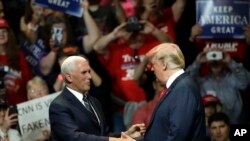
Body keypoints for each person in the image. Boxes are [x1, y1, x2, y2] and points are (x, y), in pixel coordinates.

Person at [49, 56, 145, 141]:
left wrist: (125, 134)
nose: (89, 76)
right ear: (69, 77)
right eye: (84, 72)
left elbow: (102, 135)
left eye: (89, 72)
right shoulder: (59, 106)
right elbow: (74, 137)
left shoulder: (94, 101)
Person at [134, 43, 206, 140]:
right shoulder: (177, 87)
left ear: (164, 64)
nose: (151, 69)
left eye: (153, 64)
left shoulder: (183, 89)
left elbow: (178, 135)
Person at [186, 47, 250, 125]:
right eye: (212, 56)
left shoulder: (233, 79)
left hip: (234, 125)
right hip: (211, 129)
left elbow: (246, 81)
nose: (215, 60)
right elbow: (186, 82)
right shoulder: (201, 82)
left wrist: (230, 62)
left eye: (217, 55)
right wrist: (197, 63)